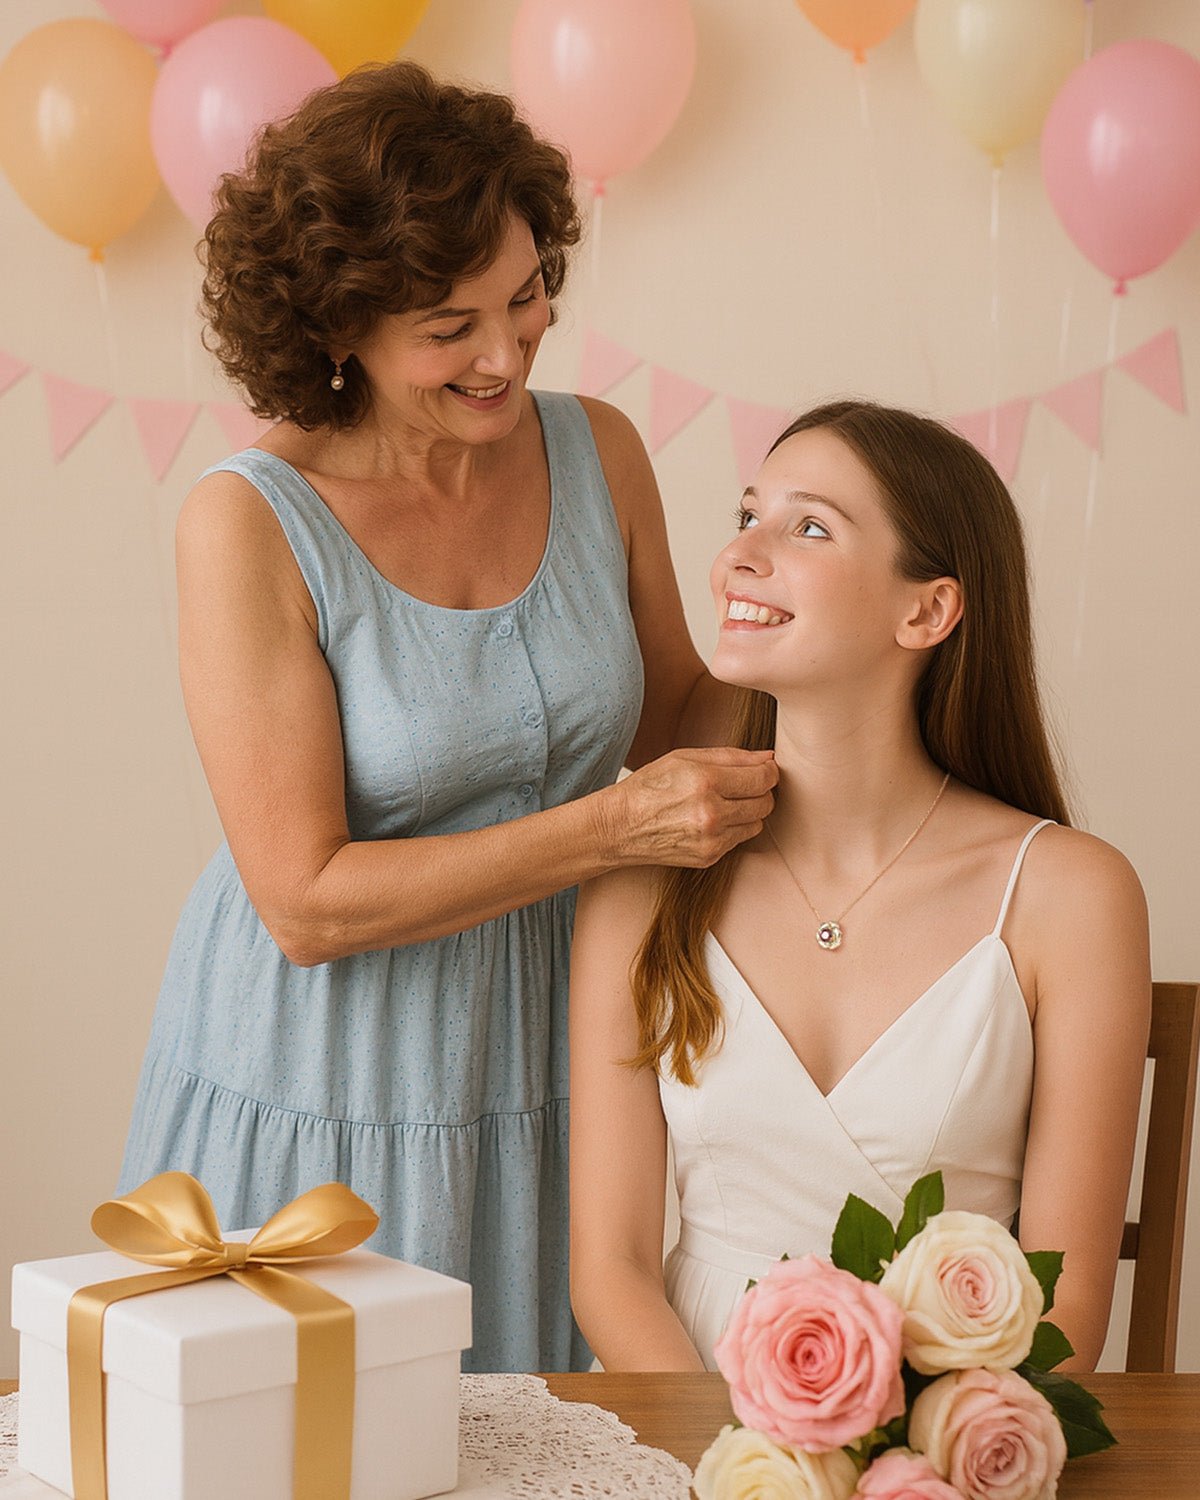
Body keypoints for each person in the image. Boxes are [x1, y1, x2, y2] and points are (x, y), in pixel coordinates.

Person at [117, 60, 777, 1374]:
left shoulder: (600, 451)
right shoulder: (248, 524)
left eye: (526, 297)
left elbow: (683, 720)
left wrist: (799, 634)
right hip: (334, 1071)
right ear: (338, 328)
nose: (504, 354)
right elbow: (303, 901)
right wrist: (609, 832)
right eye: (447, 325)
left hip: (558, 1048)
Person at [569, 399, 1151, 1374]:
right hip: (686, 1442)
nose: (740, 556)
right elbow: (612, 1272)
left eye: (807, 526)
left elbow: (1070, 1298)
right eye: (746, 514)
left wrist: (922, 1460)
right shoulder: (644, 880)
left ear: (926, 610)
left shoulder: (1071, 896)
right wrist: (740, 1469)